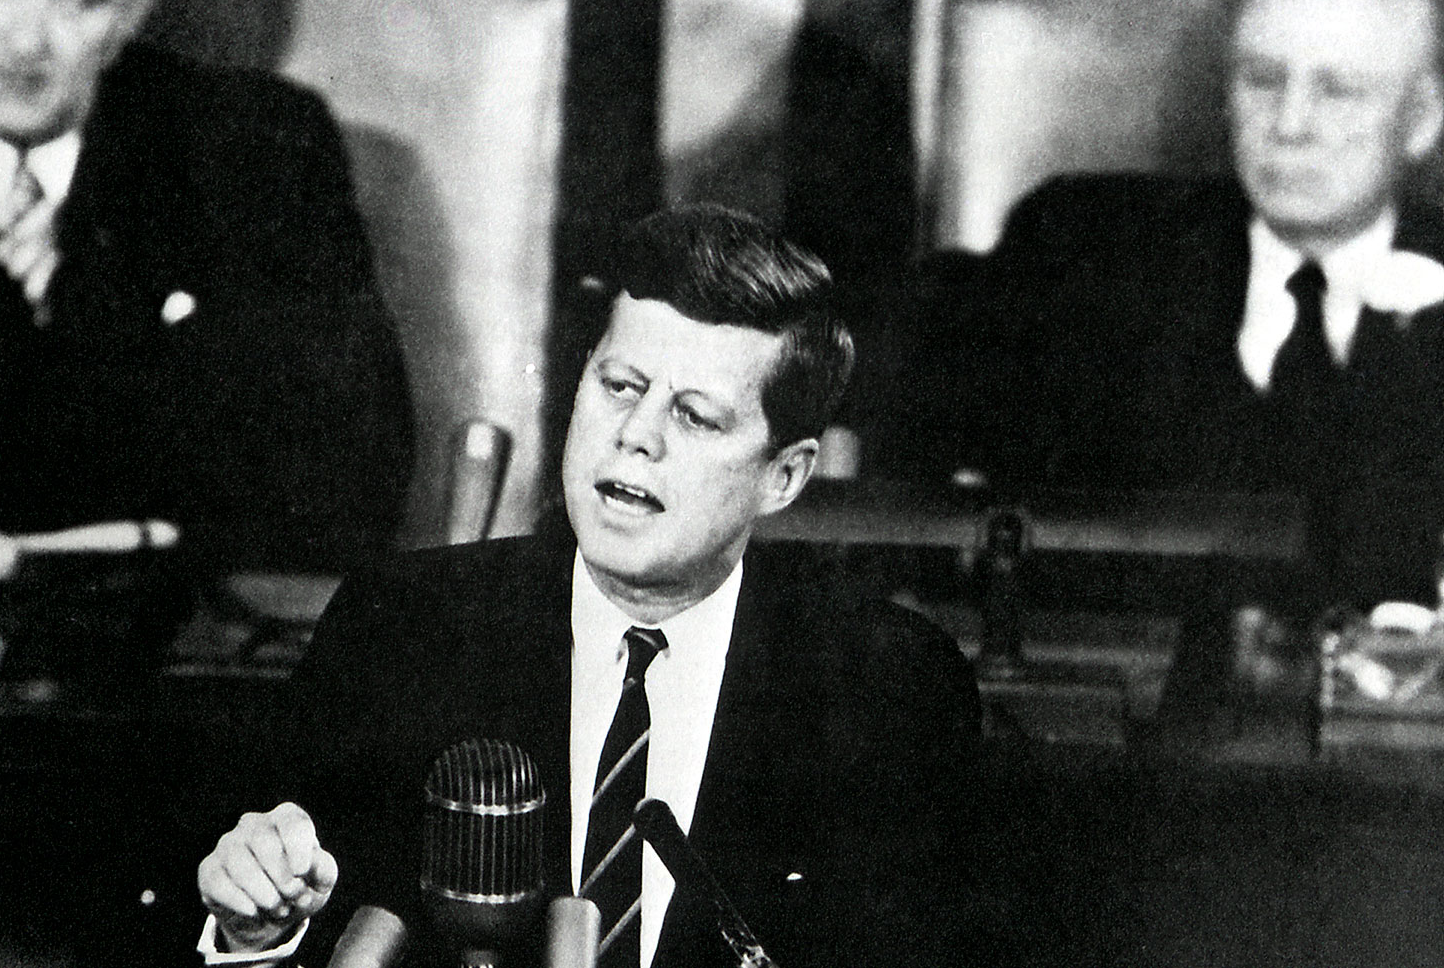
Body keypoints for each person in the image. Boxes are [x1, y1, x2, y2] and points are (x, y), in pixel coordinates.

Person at [194, 206, 985, 967]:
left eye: (696, 417)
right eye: (619, 385)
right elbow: (296, 915)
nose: (636, 435)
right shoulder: (399, 626)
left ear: (783, 475)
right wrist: (255, 936)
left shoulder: (891, 689)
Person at [0, 0, 414, 578]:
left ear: (134, 8)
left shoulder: (258, 153)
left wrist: (111, 297)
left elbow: (351, 473)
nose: (26, 40)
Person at [976, 0, 1444, 604]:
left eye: (1337, 91)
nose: (1289, 123)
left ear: (1420, 119)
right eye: (1261, 79)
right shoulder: (1080, 253)